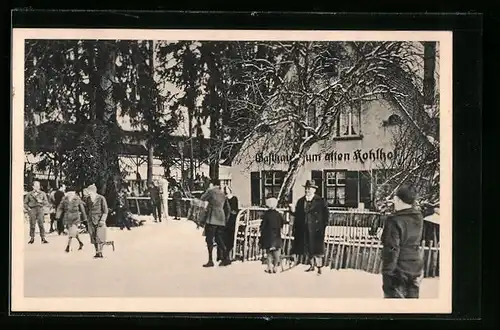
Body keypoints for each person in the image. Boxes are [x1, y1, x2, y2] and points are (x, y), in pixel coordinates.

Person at [381, 185, 424, 299]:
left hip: (397, 271)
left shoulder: (394, 221)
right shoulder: (418, 217)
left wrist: (388, 273)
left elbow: (392, 248)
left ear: (399, 200)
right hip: (415, 267)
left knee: (395, 309)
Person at [289, 180, 329, 275]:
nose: (307, 190)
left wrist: (323, 226)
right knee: (308, 248)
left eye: (309, 189)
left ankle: (319, 268)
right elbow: (297, 215)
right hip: (304, 228)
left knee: (317, 249)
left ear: (314, 190)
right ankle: (311, 266)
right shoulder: (301, 201)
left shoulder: (321, 201)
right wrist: (292, 211)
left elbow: (326, 214)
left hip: (316, 229)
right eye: (306, 188)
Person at [200, 178, 230, 267]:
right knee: (219, 238)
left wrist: (208, 190)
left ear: (212, 184)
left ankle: (210, 260)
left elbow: (202, 198)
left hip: (212, 217)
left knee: (209, 239)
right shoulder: (222, 193)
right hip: (221, 218)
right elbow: (226, 206)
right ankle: (226, 258)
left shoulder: (211, 191)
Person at [56, 185, 86, 252]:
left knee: (71, 232)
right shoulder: (64, 199)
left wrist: (84, 218)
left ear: (74, 192)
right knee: (73, 232)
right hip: (67, 218)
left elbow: (82, 208)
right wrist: (58, 215)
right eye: (69, 193)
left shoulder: (77, 199)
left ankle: (68, 247)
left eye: (71, 193)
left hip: (75, 218)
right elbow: (60, 207)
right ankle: (80, 243)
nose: (70, 194)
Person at [260, 193, 285, 274]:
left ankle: (269, 267)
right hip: (276, 236)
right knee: (277, 252)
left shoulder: (266, 214)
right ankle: (275, 266)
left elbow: (263, 225)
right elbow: (282, 223)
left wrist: (262, 232)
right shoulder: (278, 214)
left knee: (269, 253)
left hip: (268, 236)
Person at [84, 184, 108, 259]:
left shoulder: (101, 198)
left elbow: (105, 211)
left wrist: (102, 220)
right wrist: (87, 218)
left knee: (100, 236)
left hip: (99, 220)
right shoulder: (88, 199)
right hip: (91, 220)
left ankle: (100, 252)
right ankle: (97, 251)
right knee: (93, 236)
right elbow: (87, 209)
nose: (89, 193)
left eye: (90, 191)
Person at [223, 186, 239, 260]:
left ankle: (231, 254)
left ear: (230, 190)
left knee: (231, 236)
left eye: (227, 189)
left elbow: (236, 208)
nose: (226, 190)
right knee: (225, 237)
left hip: (232, 219)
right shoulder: (224, 198)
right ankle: (226, 255)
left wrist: (234, 213)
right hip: (226, 219)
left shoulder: (234, 198)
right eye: (225, 189)